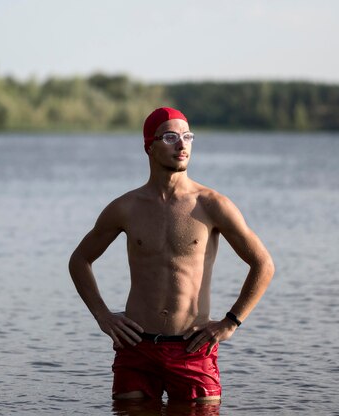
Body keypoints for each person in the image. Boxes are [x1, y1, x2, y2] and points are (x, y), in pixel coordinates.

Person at [69, 107, 274, 403]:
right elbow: (80, 260)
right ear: (149, 147)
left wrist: (230, 322)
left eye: (187, 136)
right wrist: (102, 315)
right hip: (136, 347)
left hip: (192, 347)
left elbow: (263, 264)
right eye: (170, 137)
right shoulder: (126, 207)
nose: (182, 144)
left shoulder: (212, 204)